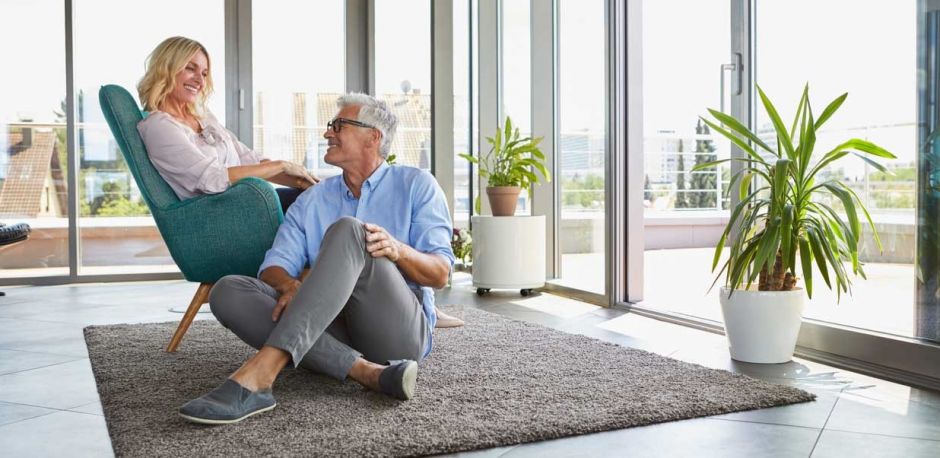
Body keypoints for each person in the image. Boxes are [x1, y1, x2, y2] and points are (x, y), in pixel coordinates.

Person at [178, 93, 454, 425]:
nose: (327, 133)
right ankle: (367, 372)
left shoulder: (416, 185)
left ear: (373, 137)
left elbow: (440, 274)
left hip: (395, 333)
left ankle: (262, 373)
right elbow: (274, 267)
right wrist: (289, 286)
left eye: (339, 125)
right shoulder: (312, 199)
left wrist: (398, 249)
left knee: (350, 231)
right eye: (330, 125)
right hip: (325, 327)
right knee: (228, 291)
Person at [137, 36, 317, 211]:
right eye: (190, 69)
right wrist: (282, 165)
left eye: (204, 74)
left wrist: (301, 182)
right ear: (166, 68)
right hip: (221, 213)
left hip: (245, 201)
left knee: (318, 195)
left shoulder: (203, 116)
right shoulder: (159, 126)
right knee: (318, 204)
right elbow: (210, 179)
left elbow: (248, 158)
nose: (200, 81)